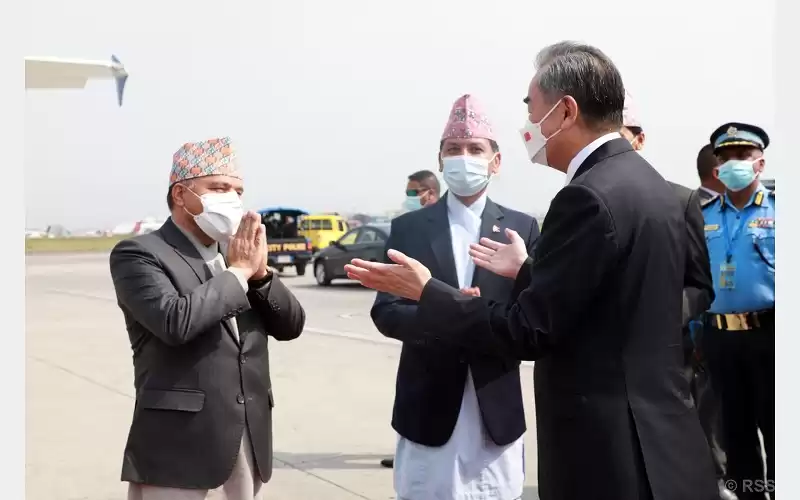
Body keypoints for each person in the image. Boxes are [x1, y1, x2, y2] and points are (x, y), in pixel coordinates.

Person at [345, 42, 718, 500]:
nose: (527, 124)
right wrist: (527, 271)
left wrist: (429, 293)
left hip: (610, 449)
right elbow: (603, 304)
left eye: (531, 108)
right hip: (661, 441)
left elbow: (530, 330)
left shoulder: (585, 197)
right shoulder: (655, 188)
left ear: (565, 111)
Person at [110, 137, 306, 500]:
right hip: (179, 444)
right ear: (181, 194)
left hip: (246, 435)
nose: (231, 198)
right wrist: (239, 272)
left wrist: (260, 276)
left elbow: (291, 325)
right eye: (218, 188)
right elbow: (174, 322)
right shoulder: (140, 253)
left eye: (237, 191)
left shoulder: (236, 254)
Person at [371, 94, 540, 499]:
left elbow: (533, 319)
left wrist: (473, 311)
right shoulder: (410, 229)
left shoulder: (521, 229)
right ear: (440, 160)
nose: (464, 158)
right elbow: (387, 312)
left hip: (494, 407)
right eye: (454, 149)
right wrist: (443, 311)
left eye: (475, 149)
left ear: (495, 162)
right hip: (427, 405)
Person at [622, 98, 731, 499]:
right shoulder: (576, 200)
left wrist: (663, 315)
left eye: (619, 135)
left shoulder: (679, 201)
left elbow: (700, 286)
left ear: (639, 140)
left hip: (668, 362)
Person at [700, 123, 775, 500]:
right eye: (726, 157)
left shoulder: (781, 209)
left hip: (771, 335)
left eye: (743, 156)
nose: (734, 164)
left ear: (760, 163)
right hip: (721, 338)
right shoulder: (703, 215)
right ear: (716, 169)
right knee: (735, 434)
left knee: (778, 431)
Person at [382, 168, 443, 470]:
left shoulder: (446, 230)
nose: (407, 198)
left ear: (429, 193)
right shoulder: (407, 229)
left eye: (412, 192)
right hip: (415, 328)